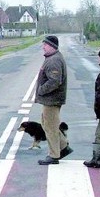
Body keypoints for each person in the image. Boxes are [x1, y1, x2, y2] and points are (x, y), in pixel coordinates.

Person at [35, 35, 72, 165]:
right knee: (47, 124)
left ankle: (54, 155)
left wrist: (41, 90)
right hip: (51, 100)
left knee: (50, 127)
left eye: (45, 44)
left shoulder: (54, 60)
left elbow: (55, 81)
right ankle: (63, 147)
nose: (43, 47)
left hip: (52, 100)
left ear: (51, 46)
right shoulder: (53, 58)